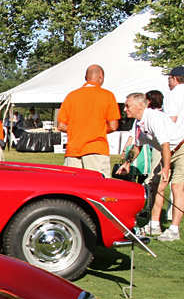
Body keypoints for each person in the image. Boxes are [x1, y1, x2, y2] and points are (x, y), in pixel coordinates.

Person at [118, 93, 173, 237]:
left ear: (140, 105)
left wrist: (166, 167)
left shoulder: (153, 118)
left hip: (178, 149)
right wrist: (127, 164)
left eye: (128, 106)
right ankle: (154, 226)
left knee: (171, 186)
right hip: (166, 150)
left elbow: (166, 144)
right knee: (154, 186)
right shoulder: (138, 122)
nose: (125, 109)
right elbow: (137, 146)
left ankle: (173, 229)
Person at [56, 64, 120, 178]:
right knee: (98, 188)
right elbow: (113, 126)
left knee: (72, 189)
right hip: (96, 149)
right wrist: (97, 130)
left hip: (73, 151)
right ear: (101, 77)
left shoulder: (71, 96)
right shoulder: (107, 96)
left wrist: (77, 130)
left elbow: (61, 126)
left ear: (86, 78)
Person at [150, 65, 184, 241]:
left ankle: (155, 223)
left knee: (160, 184)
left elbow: (171, 120)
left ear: (174, 78)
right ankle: (174, 228)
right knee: (178, 188)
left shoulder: (173, 95)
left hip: (172, 144)